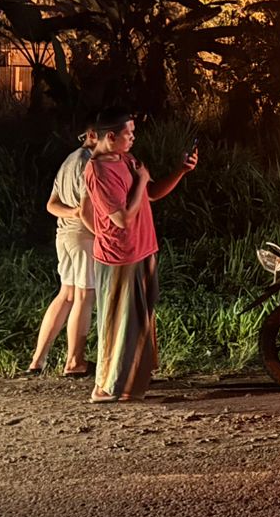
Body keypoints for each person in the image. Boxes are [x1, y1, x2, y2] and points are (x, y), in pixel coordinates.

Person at [80, 110, 197, 403]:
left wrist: (180, 171)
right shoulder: (99, 171)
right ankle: (106, 387)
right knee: (119, 322)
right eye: (128, 133)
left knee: (141, 319)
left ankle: (134, 379)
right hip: (119, 256)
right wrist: (142, 181)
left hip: (143, 248)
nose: (133, 137)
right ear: (110, 136)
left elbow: (153, 193)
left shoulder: (128, 160)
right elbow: (121, 219)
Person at [27, 123, 98, 377]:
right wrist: (85, 218)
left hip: (64, 235)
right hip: (83, 236)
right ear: (92, 136)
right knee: (84, 296)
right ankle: (75, 361)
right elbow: (86, 207)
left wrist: (72, 213)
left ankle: (37, 360)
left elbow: (51, 205)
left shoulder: (69, 160)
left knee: (66, 294)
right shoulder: (88, 162)